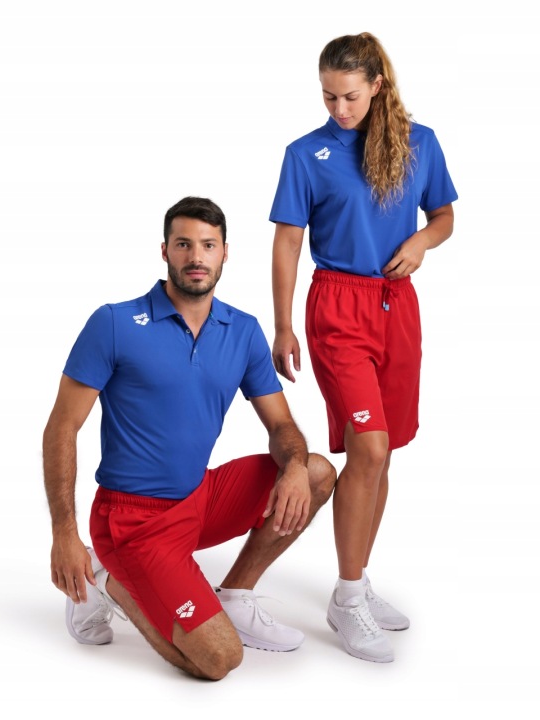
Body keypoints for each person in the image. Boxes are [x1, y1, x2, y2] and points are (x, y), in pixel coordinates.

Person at [42, 195, 336, 681]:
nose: (196, 257)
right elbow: (61, 428)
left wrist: (295, 469)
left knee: (317, 472)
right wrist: (63, 533)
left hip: (198, 499)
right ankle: (108, 581)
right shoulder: (115, 323)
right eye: (183, 244)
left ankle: (235, 593)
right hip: (132, 521)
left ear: (225, 253)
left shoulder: (242, 330)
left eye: (208, 245)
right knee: (219, 660)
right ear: (165, 251)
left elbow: (282, 427)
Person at [269, 32, 458, 663]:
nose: (338, 108)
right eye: (328, 96)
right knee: (367, 446)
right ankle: (347, 599)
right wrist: (284, 325)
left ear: (377, 85)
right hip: (338, 307)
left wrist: (422, 242)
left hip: (397, 306)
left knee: (383, 453)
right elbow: (288, 242)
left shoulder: (419, 142)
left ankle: (356, 580)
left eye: (349, 95)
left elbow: (444, 216)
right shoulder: (306, 154)